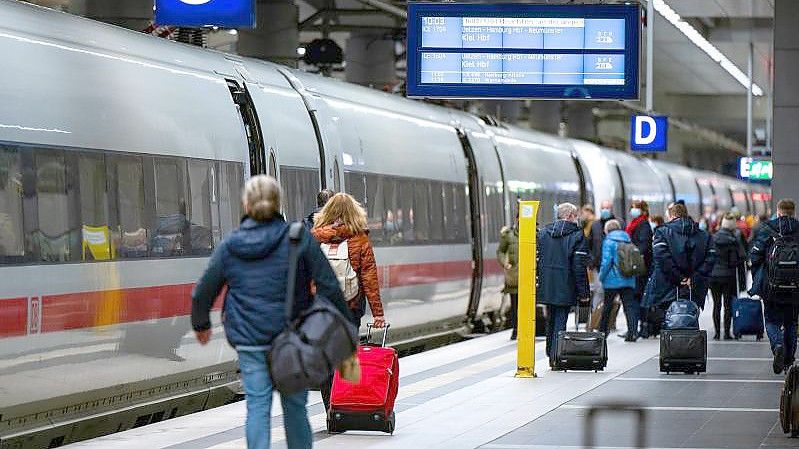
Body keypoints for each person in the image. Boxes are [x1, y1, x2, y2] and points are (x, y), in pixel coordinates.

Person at [191, 175, 350, 449]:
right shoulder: (299, 238)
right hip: (293, 339)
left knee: (257, 407)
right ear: (278, 203)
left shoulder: (231, 244)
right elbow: (329, 286)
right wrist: (341, 328)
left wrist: (201, 324)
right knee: (295, 409)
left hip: (250, 340)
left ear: (246, 204)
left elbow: (204, 290)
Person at [311, 192, 386, 410]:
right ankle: (348, 406)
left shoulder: (315, 238)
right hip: (350, 309)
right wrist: (378, 314)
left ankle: (330, 409)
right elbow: (369, 280)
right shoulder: (360, 239)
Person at [537, 203, 590, 366]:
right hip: (566, 284)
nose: (577, 219)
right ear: (570, 216)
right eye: (575, 216)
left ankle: (550, 350)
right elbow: (579, 267)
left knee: (551, 318)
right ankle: (556, 357)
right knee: (561, 319)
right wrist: (584, 293)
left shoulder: (544, 233)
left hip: (547, 284)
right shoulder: (577, 236)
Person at [750, 199, 799, 374]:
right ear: (793, 212)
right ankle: (789, 359)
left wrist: (759, 273)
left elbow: (755, 256)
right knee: (792, 322)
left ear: (778, 212)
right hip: (795, 287)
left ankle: (778, 345)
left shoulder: (767, 228)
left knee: (771, 321)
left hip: (772, 286)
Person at [643, 202, 715, 311]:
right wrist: (694, 278)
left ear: (671, 216)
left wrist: (679, 278)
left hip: (667, 289)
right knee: (690, 320)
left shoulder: (662, 233)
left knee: (669, 321)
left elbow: (662, 259)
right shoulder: (704, 235)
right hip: (694, 289)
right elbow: (710, 259)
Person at [709, 213, 747, 340]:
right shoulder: (733, 240)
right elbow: (737, 260)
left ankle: (716, 333)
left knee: (716, 305)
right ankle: (726, 333)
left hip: (713, 276)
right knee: (727, 305)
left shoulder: (713, 238)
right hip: (728, 276)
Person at [599, 219, 638, 341]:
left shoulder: (608, 241)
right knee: (629, 306)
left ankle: (603, 333)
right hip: (628, 278)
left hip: (612, 280)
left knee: (608, 307)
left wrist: (601, 276)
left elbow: (606, 262)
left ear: (607, 230)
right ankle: (632, 332)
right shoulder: (628, 239)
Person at [588, 200, 623, 313]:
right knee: (599, 291)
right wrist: (591, 261)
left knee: (612, 294)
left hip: (615, 267)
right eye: (603, 208)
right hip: (598, 265)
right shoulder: (595, 225)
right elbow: (589, 244)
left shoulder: (619, 224)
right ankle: (596, 319)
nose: (605, 210)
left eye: (607, 208)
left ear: (611, 209)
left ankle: (610, 320)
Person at [626, 200, 653, 334]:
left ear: (642, 210)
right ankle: (636, 327)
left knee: (638, 296)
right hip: (635, 267)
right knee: (637, 296)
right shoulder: (635, 224)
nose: (633, 211)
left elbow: (643, 246)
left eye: (635, 208)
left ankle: (642, 327)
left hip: (641, 268)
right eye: (632, 208)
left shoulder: (643, 225)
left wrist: (631, 254)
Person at [497, 210, 520, 340]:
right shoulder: (508, 235)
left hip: (530, 276)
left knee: (528, 305)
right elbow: (500, 251)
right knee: (515, 304)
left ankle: (527, 329)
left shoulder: (534, 234)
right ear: (516, 219)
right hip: (514, 276)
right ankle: (516, 329)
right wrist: (504, 263)